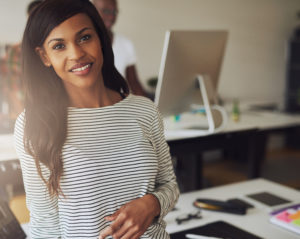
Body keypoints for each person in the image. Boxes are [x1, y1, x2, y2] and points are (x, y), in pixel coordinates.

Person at [14, 0, 179, 238]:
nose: (77, 54)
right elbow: (45, 225)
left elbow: (169, 186)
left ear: (101, 39)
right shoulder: (34, 124)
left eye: (84, 38)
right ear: (44, 56)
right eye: (59, 46)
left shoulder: (145, 111)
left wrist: (152, 203)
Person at [0, 0, 42, 130]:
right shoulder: (16, 51)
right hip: (26, 118)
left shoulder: (56, 47)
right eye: (33, 17)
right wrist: (25, 121)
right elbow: (13, 88)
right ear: (28, 19)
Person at [92, 0, 147, 97]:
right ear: (92, 10)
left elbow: (134, 83)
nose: (112, 17)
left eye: (114, 12)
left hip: (120, 105)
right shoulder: (83, 45)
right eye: (106, 11)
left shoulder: (126, 44)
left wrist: (151, 108)